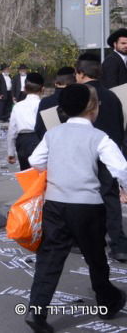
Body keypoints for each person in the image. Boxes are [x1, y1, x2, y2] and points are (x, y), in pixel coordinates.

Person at [25, 84, 127, 333]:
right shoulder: (99, 137)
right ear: (93, 109)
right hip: (87, 206)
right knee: (95, 257)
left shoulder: (53, 134)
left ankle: (37, 309)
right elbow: (121, 167)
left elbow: (35, 160)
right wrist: (124, 188)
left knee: (50, 257)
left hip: (55, 204)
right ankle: (107, 301)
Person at [76, 52, 127, 262]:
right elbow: (120, 126)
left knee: (83, 198)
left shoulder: (78, 95)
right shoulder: (112, 96)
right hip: (109, 154)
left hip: (83, 156)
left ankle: (86, 240)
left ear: (80, 73)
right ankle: (119, 244)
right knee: (110, 198)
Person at [6, 72, 43, 170]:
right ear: (42, 89)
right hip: (39, 140)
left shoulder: (17, 106)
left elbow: (12, 131)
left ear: (25, 89)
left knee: (26, 172)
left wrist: (11, 153)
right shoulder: (43, 104)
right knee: (42, 172)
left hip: (23, 142)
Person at [34, 67, 75, 140]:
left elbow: (39, 128)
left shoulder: (45, 102)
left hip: (51, 143)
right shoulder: (77, 100)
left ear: (56, 83)